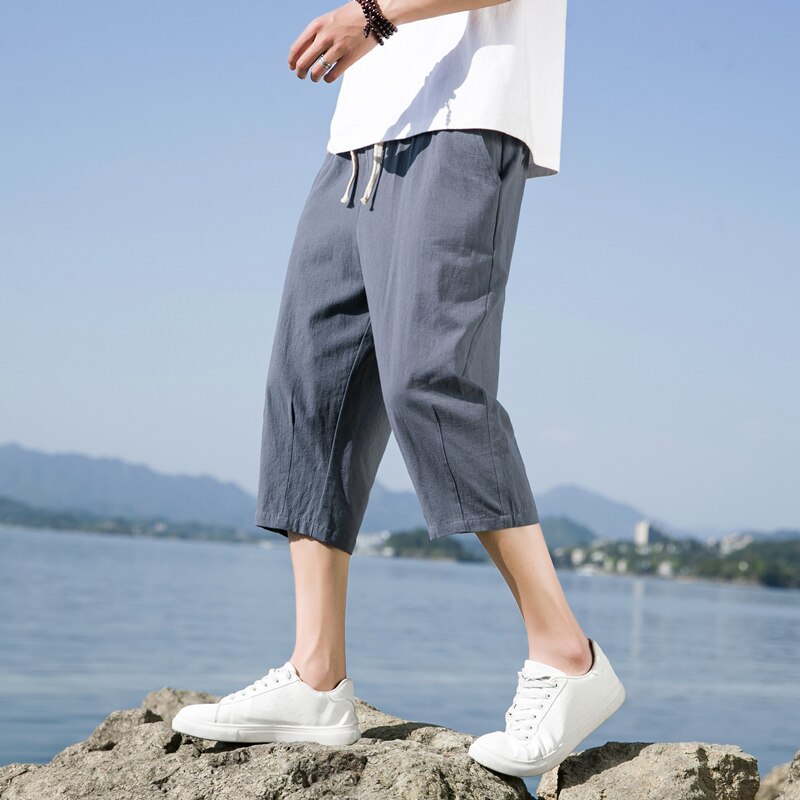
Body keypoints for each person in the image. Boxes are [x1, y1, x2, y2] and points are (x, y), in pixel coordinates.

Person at [171, 0, 626, 778]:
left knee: (431, 377)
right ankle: (317, 675)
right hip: (360, 135)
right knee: (309, 385)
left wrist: (374, 15)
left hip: (466, 112)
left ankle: (566, 654)